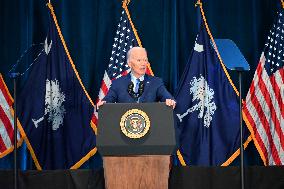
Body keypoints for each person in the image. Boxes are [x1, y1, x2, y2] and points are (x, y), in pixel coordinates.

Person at [97, 47, 176, 109]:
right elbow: (107, 101)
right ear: (129, 63)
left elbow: (168, 98)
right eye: (139, 60)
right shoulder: (118, 83)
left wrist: (170, 101)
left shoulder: (156, 82)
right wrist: (103, 104)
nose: (143, 64)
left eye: (145, 60)